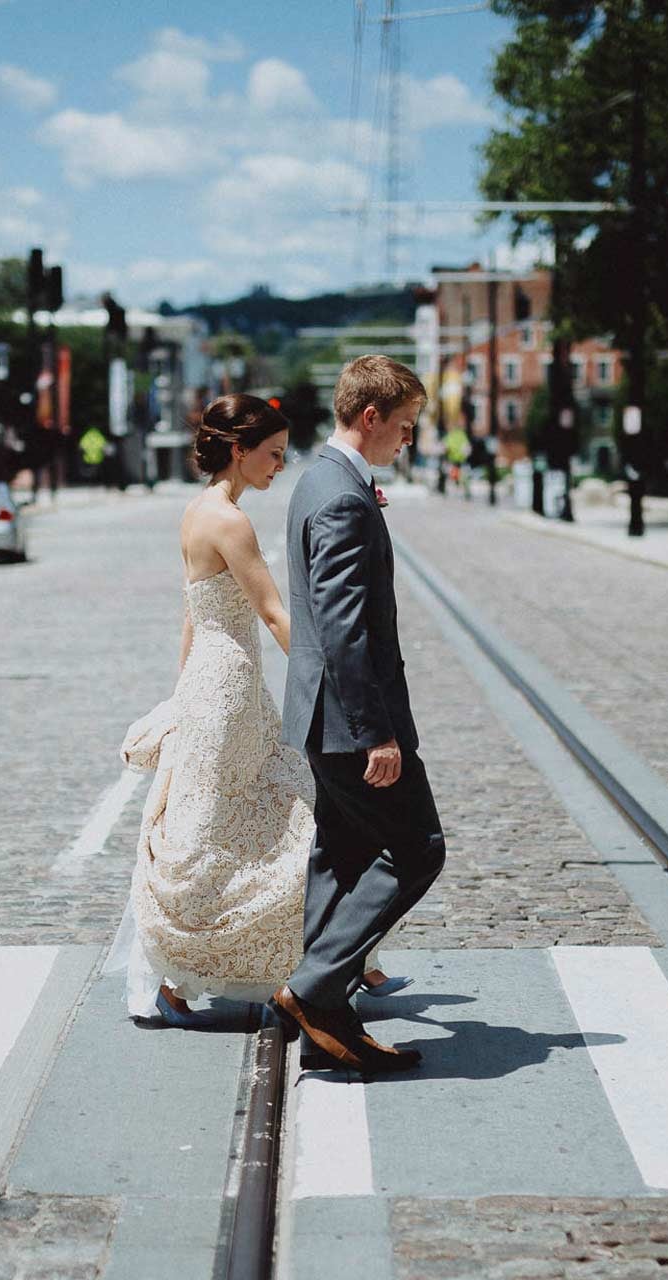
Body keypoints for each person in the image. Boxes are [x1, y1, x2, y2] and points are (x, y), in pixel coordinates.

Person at [114, 394, 405, 1027]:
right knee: (279, 819)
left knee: (235, 822)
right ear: (239, 450)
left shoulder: (198, 512)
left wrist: (183, 691)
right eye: (273, 454)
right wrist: (336, 688)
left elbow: (192, 615)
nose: (281, 466)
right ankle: (320, 958)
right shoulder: (230, 521)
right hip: (231, 691)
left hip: (214, 686)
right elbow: (274, 612)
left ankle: (341, 957)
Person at [272, 356, 445, 1075]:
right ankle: (314, 990)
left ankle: (326, 1010)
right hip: (349, 721)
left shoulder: (317, 478)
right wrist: (377, 731)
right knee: (417, 847)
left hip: (318, 716)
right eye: (404, 427)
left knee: (341, 852)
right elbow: (345, 628)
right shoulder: (343, 496)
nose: (407, 441)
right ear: (369, 418)